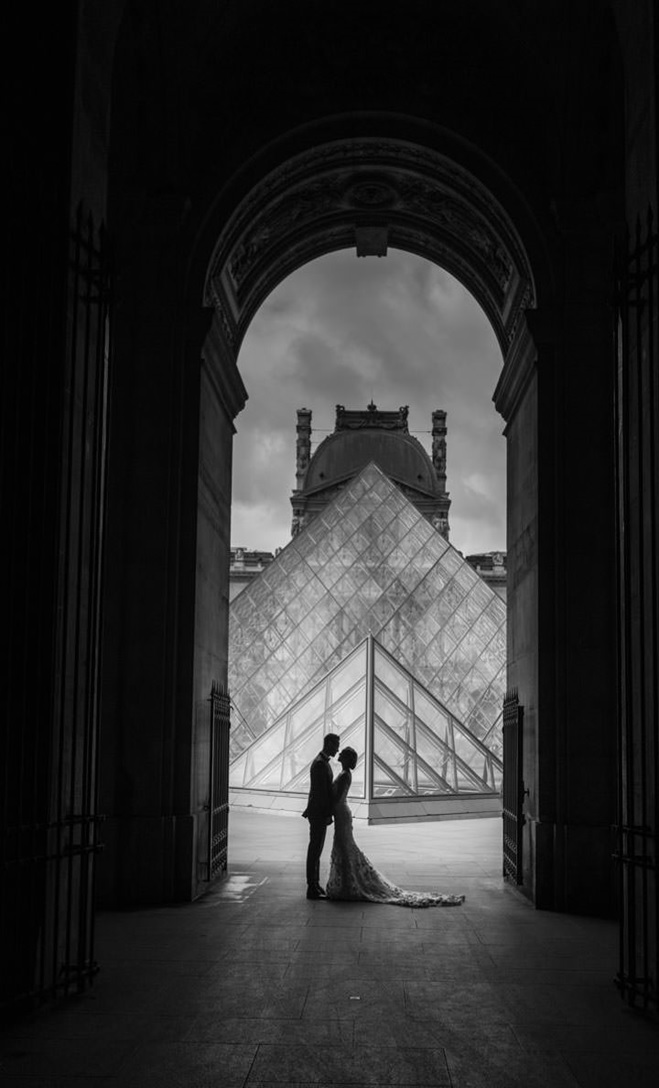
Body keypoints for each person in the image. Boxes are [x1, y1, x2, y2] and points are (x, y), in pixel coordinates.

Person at [326, 747, 465, 907]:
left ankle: (347, 884)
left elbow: (336, 798)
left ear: (345, 758)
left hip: (341, 813)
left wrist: (326, 808)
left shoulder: (344, 775)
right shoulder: (345, 774)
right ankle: (347, 883)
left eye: (342, 753)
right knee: (345, 847)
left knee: (344, 847)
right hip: (342, 813)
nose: (339, 754)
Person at [302, 732, 340, 899]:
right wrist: (327, 814)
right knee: (315, 850)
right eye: (336, 745)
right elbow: (321, 794)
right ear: (329, 744)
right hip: (318, 812)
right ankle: (311, 886)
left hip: (318, 811)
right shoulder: (320, 764)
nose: (337, 749)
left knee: (316, 849)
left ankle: (315, 884)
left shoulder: (321, 762)